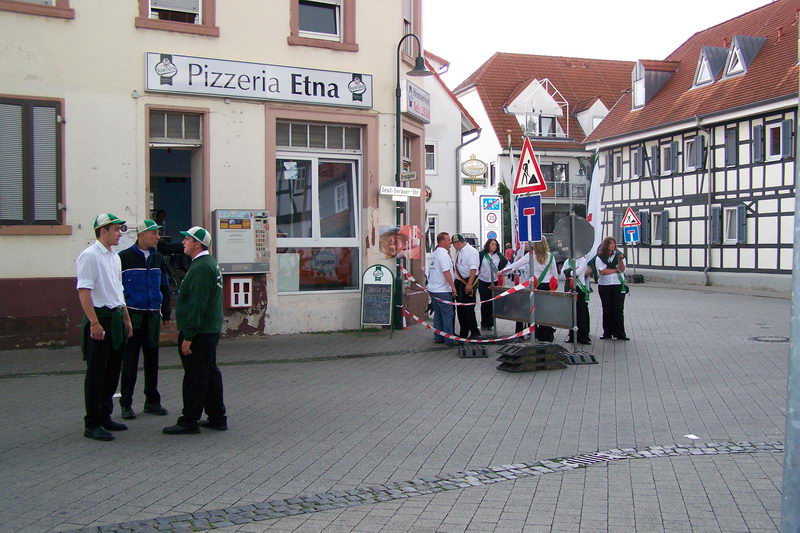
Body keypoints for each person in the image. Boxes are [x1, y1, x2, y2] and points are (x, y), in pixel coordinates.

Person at [163, 226, 227, 434]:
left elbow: (197, 304)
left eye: (187, 239)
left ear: (197, 243)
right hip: (207, 329)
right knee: (208, 373)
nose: (183, 242)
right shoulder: (207, 264)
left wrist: (188, 335)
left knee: (195, 376)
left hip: (199, 332)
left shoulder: (201, 267)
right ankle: (217, 417)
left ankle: (189, 420)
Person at [76, 213, 134, 441]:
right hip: (100, 317)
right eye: (116, 229)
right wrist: (94, 322)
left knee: (112, 371)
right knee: (96, 373)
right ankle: (92, 422)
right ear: (103, 230)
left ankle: (105, 415)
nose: (120, 233)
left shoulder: (114, 257)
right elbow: (84, 292)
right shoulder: (90, 256)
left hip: (116, 316)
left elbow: (117, 289)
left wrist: (126, 317)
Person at [118, 219, 171, 420]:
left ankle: (152, 401)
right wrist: (123, 316)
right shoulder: (124, 258)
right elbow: (118, 289)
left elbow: (164, 287)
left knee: (152, 360)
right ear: (141, 235)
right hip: (132, 315)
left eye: (158, 234)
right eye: (153, 233)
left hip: (152, 315)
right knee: (130, 360)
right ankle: (126, 403)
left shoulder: (159, 259)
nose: (157, 237)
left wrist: (165, 312)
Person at [502, 239, 559, 342]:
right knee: (545, 311)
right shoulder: (550, 256)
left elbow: (515, 265)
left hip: (535, 285)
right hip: (546, 286)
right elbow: (554, 274)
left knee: (535, 311)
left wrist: (502, 272)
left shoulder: (531, 255)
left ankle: (535, 333)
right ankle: (546, 335)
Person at [595, 236, 630, 340]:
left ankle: (619, 333)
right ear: (606, 245)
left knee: (618, 309)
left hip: (618, 284)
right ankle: (607, 332)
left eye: (613, 243)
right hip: (605, 285)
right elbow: (602, 272)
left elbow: (622, 269)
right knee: (607, 309)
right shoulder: (600, 257)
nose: (612, 245)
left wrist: (619, 262)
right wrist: (615, 270)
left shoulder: (619, 255)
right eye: (610, 243)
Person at [427, 232, 457, 346]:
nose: (450, 242)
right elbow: (446, 272)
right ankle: (449, 339)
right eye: (448, 240)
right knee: (447, 315)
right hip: (443, 289)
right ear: (442, 241)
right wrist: (453, 287)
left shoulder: (434, 254)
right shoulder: (443, 255)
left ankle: (438, 337)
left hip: (433, 288)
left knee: (438, 315)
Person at [451, 233, 481, 340]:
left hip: (468, 281)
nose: (453, 246)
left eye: (454, 244)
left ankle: (474, 332)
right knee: (460, 308)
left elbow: (473, 269)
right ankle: (463, 332)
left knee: (468, 309)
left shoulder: (471, 252)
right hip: (460, 281)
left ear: (458, 242)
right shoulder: (460, 252)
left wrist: (469, 284)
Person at [477, 238, 508, 330]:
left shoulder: (499, 256)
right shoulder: (482, 254)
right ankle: (484, 322)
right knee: (484, 302)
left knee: (491, 302)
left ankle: (490, 323)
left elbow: (504, 265)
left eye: (495, 245)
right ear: (488, 245)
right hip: (483, 281)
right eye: (492, 244)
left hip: (494, 281)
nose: (494, 246)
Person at [561, 256, 593, 345]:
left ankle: (583, 336)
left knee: (581, 312)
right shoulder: (567, 260)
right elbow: (562, 275)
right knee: (571, 313)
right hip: (569, 286)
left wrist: (568, 272)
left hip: (579, 288)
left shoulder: (582, 260)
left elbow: (578, 272)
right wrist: (571, 272)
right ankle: (572, 335)